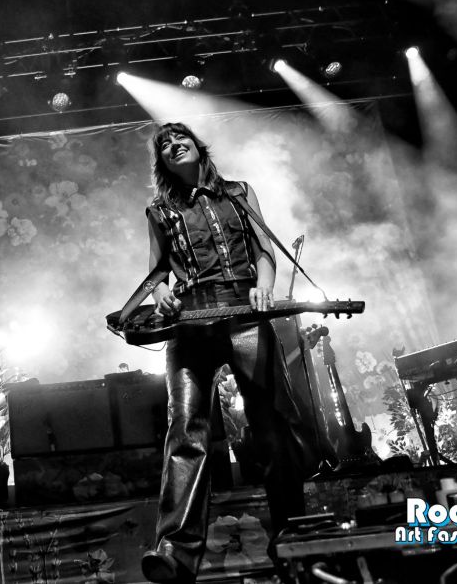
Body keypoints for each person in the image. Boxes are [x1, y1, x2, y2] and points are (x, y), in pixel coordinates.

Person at [140, 122, 309, 583]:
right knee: (186, 428)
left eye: (180, 139)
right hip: (191, 319)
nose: (174, 146)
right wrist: (161, 295)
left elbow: (264, 250)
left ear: (198, 146)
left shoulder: (239, 192)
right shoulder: (159, 210)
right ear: (162, 161)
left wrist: (264, 287)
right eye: (164, 145)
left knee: (271, 420)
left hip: (244, 311)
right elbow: (156, 274)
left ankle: (292, 534)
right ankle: (174, 552)